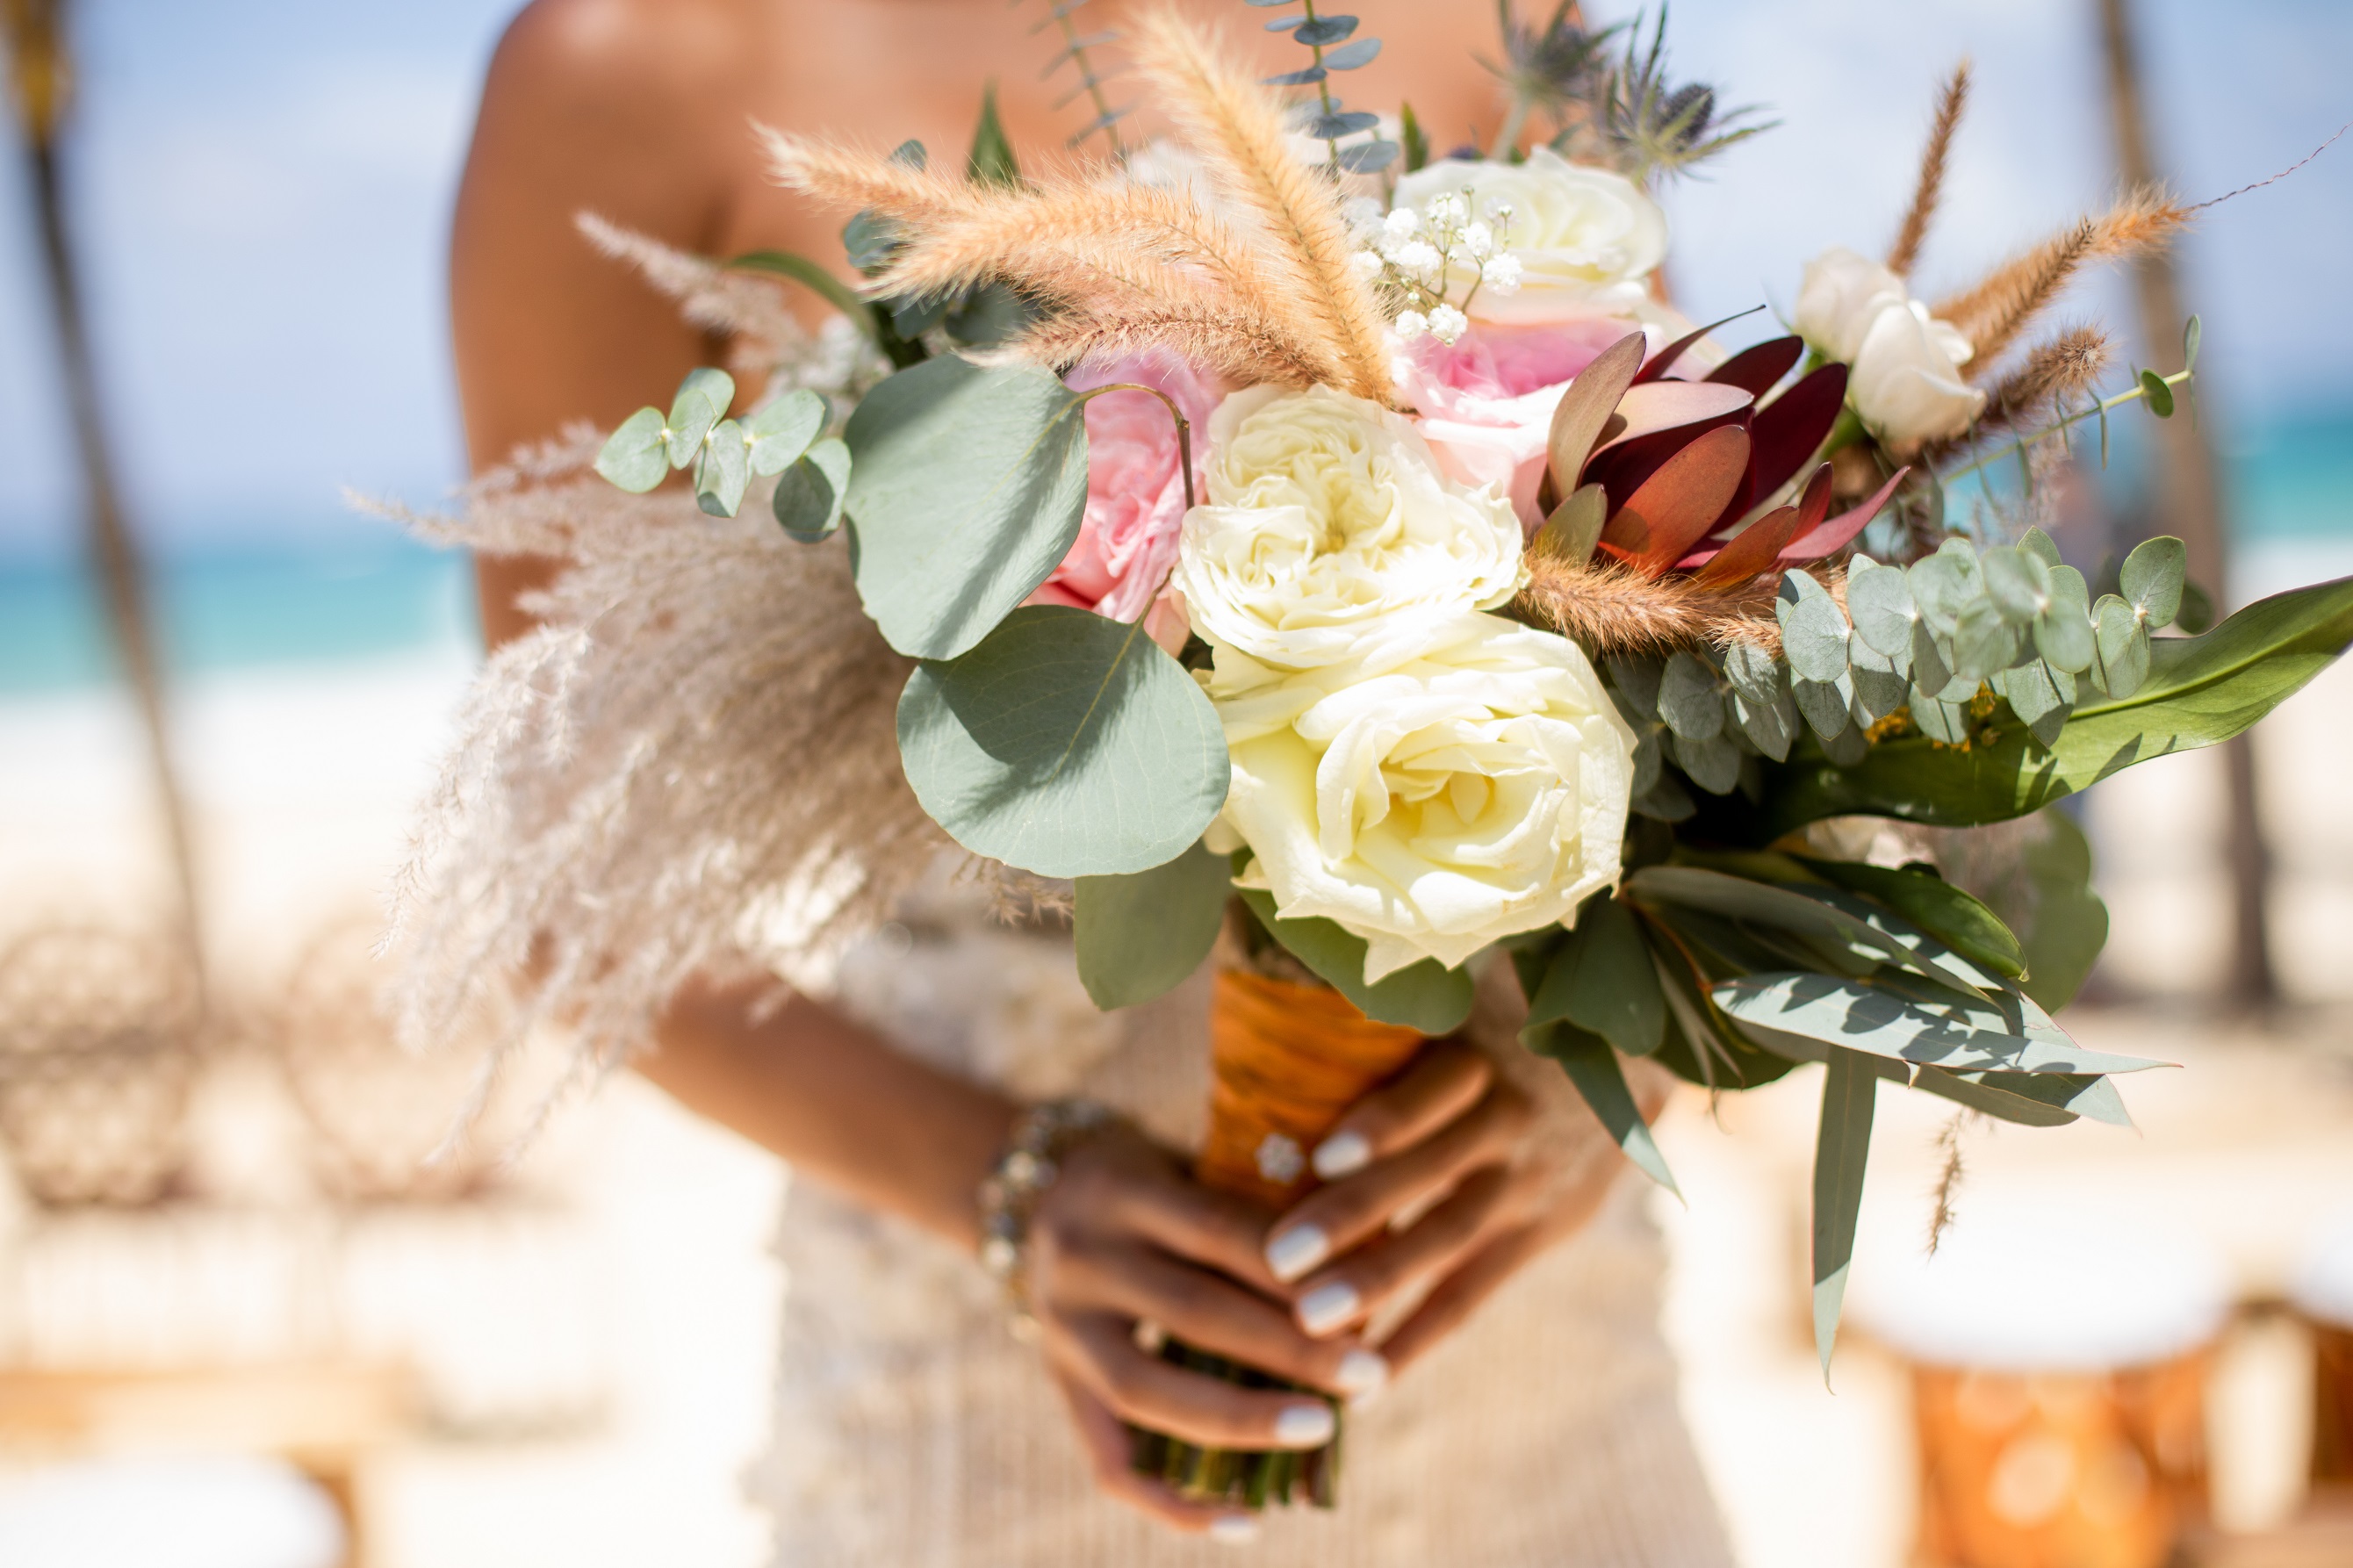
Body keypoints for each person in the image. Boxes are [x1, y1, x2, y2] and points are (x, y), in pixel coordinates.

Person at [450, 0, 1735, 1559]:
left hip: (1516, 1339)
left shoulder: (1503, 16)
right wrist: (1012, 1189)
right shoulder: (633, 65)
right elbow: (566, 884)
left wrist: (1602, 1084)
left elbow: (1702, 615)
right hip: (995, 1384)